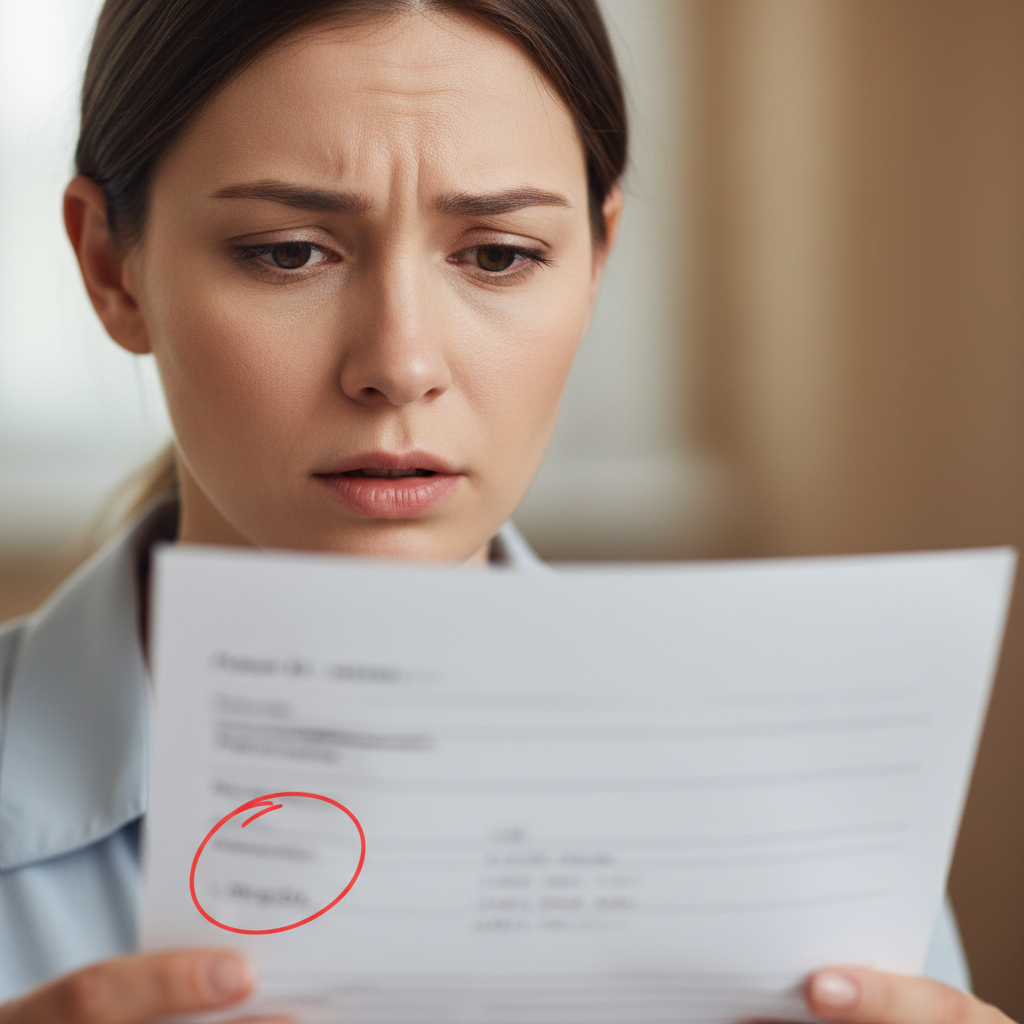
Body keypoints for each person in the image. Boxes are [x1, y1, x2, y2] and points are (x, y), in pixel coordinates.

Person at [0, 1, 1014, 1023]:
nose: (400, 365)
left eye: (496, 255)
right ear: (110, 268)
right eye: (287, 251)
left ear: (597, 261)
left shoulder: (812, 842)